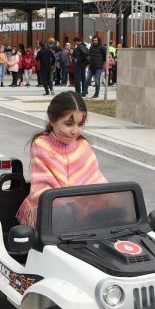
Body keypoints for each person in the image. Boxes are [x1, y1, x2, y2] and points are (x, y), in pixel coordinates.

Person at [16, 92, 107, 228]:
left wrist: (108, 199)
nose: (75, 131)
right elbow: (43, 186)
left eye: (80, 124)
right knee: (66, 214)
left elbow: (96, 179)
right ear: (52, 120)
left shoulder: (83, 146)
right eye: (69, 124)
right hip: (51, 212)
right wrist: (73, 205)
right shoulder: (41, 145)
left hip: (84, 211)